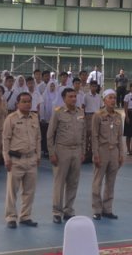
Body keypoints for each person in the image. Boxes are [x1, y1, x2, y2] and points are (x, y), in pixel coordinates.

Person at [47, 88, 86, 224]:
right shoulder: (58, 113)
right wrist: (52, 153)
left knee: (73, 182)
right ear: (64, 99)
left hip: (77, 150)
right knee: (59, 182)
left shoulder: (80, 112)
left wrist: (83, 152)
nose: (74, 99)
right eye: (70, 97)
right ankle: (57, 212)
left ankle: (69, 210)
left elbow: (83, 134)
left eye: (75, 96)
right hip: (62, 150)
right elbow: (50, 134)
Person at [3, 92, 40, 229]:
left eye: (29, 101)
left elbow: (38, 138)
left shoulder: (34, 117)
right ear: (17, 104)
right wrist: (6, 159)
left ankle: (25, 216)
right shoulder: (11, 118)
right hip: (16, 159)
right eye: (24, 101)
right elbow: (6, 139)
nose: (27, 104)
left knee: (29, 191)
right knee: (12, 191)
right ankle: (11, 217)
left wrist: (38, 156)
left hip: (31, 159)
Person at [91, 89, 124, 220]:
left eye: (114, 98)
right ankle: (97, 209)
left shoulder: (118, 116)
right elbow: (94, 136)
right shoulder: (98, 115)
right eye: (110, 98)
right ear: (104, 100)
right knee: (97, 181)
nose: (112, 100)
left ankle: (107, 209)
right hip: (102, 150)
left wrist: (121, 154)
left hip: (114, 151)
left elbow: (120, 136)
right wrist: (95, 154)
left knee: (111, 182)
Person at [83, 80, 102, 164]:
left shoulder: (99, 96)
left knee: (95, 135)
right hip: (88, 116)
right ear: (90, 87)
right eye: (92, 86)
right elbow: (83, 106)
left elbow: (101, 107)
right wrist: (83, 117)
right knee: (87, 135)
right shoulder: (86, 96)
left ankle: (92, 154)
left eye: (95, 86)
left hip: (97, 115)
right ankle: (86, 153)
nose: (94, 88)